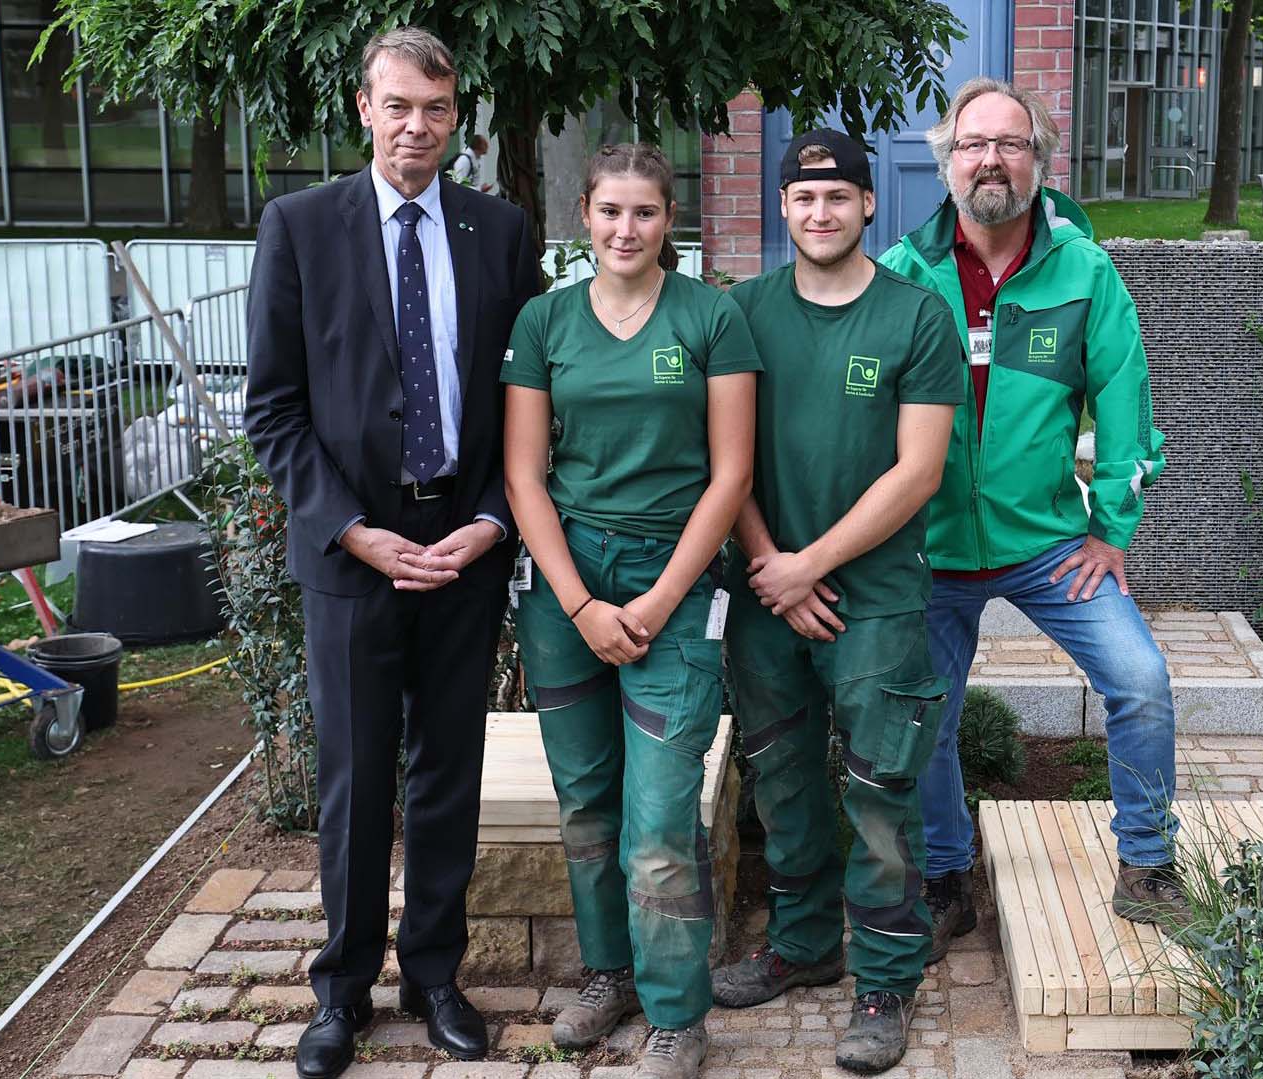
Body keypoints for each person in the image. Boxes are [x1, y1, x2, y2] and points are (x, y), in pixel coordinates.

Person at [244, 27, 540, 1079]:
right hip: (352, 551)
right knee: (357, 776)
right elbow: (273, 410)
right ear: (364, 108)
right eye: (399, 106)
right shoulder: (300, 227)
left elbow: (527, 398)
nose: (419, 126)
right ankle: (341, 987)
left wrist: (498, 518)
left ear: (458, 116)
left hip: (462, 543)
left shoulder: (499, 231)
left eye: (438, 109)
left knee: (448, 771)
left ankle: (434, 974)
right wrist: (354, 530)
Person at [876, 77, 1182, 954]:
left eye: (1011, 144)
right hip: (929, 552)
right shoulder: (904, 274)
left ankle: (1149, 865)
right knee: (924, 715)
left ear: (1039, 162)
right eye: (973, 145)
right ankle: (944, 878)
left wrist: (1110, 532)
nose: (991, 160)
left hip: (1048, 543)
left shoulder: (1085, 272)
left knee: (1142, 680)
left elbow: (1127, 405)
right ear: (947, 164)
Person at [708, 130, 964, 1076]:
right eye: (803, 197)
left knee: (880, 791)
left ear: (868, 207)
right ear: (784, 208)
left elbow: (920, 470)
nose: (820, 213)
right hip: (765, 588)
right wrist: (774, 562)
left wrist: (810, 561)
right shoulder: (742, 313)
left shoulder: (916, 317)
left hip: (878, 600)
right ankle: (804, 941)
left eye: (838, 197)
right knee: (779, 777)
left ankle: (887, 979)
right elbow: (722, 460)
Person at [502, 143, 759, 1079]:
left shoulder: (711, 317)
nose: (626, 229)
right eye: (610, 211)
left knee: (655, 820)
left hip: (675, 580)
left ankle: (676, 1014)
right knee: (585, 806)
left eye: (645, 213)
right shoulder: (545, 322)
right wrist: (577, 601)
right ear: (585, 215)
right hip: (566, 577)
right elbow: (524, 474)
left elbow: (731, 472)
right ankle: (608, 973)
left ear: (670, 221)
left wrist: (656, 598)